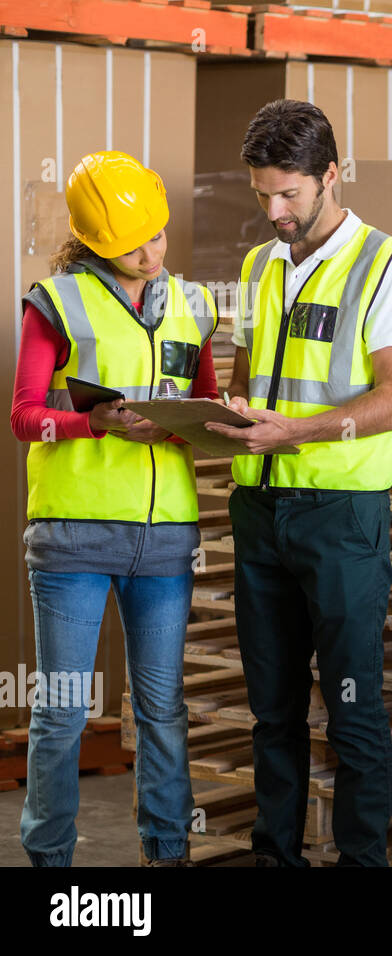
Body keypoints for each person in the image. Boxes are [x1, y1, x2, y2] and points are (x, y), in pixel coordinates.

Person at [206, 99, 392, 867]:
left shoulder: (386, 264)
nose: (275, 212)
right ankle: (278, 859)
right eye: (263, 193)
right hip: (259, 512)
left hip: (340, 517)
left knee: (354, 711)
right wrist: (207, 416)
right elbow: (245, 384)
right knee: (272, 712)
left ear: (331, 176)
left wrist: (291, 432)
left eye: (290, 194)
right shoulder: (259, 265)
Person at [10, 150, 218, 866]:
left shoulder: (195, 304)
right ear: (93, 242)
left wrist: (225, 420)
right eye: (131, 243)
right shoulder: (57, 302)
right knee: (63, 713)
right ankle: (50, 867)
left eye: (156, 235)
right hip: (73, 537)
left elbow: (207, 401)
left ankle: (167, 856)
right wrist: (97, 423)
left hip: (164, 543)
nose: (149, 252)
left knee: (162, 711)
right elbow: (25, 417)